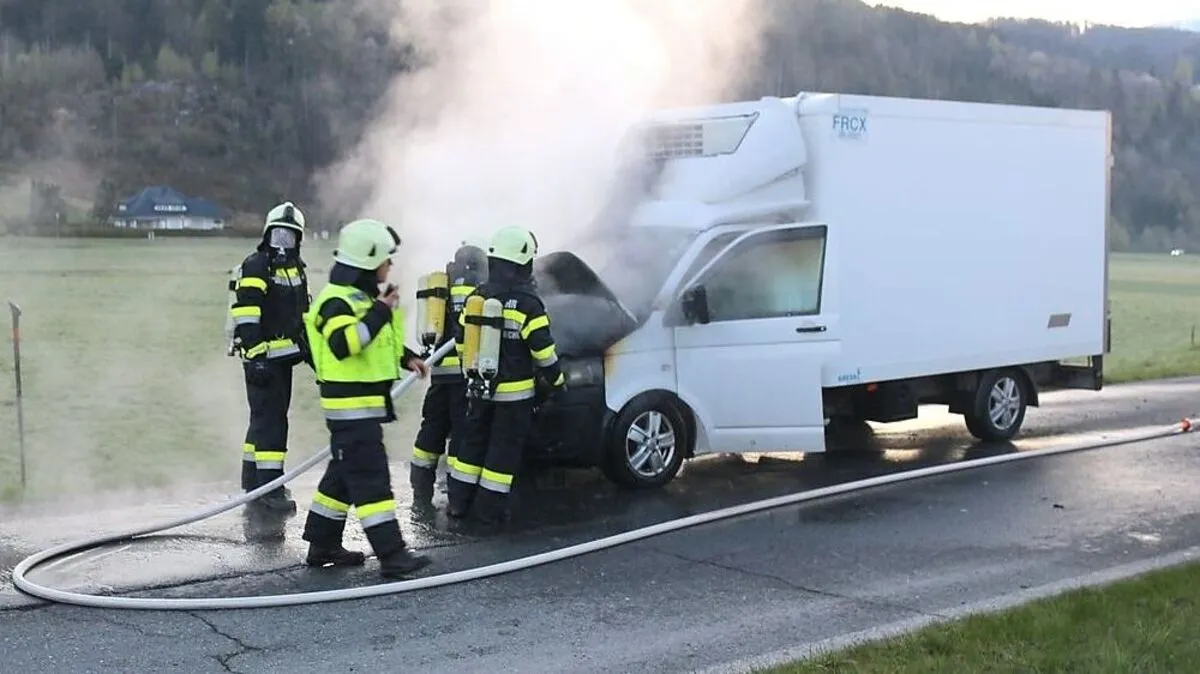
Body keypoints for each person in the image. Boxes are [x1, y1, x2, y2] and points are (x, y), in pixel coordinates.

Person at [300, 218, 433, 578]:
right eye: (386, 259)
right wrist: (381, 311)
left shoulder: (356, 299)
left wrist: (407, 357)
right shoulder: (335, 302)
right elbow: (346, 344)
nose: (389, 266)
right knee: (372, 481)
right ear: (368, 260)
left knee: (343, 476)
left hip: (360, 411)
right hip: (351, 412)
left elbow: (373, 342)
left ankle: (322, 545)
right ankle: (393, 556)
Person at [446, 225, 566, 525]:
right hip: (515, 396)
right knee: (502, 452)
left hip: (478, 389)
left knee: (472, 445)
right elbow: (543, 352)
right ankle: (489, 511)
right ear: (524, 262)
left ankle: (458, 504)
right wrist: (557, 382)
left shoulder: (478, 295)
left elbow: (461, 342)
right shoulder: (529, 304)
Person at [227, 201, 311, 538]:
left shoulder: (296, 269)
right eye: (278, 234)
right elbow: (247, 313)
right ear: (266, 234)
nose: (283, 242)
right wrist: (257, 355)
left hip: (283, 360)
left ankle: (252, 482)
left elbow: (302, 316)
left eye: (289, 236)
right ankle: (270, 490)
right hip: (263, 361)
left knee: (261, 421)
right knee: (272, 424)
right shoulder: (257, 265)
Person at [409, 241, 488, 507]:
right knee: (461, 434)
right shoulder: (481, 286)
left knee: (431, 430)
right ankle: (457, 498)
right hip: (463, 375)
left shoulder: (441, 287)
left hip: (440, 372)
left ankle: (420, 490)